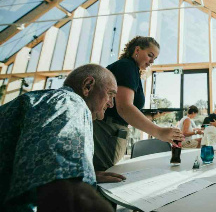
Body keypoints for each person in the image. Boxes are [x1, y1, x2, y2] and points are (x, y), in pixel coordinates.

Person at [0, 64, 124, 212]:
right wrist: (73, 184)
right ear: (88, 86)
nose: (111, 104)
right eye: (110, 94)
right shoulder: (69, 102)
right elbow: (69, 197)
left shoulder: (47, 101)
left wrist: (82, 174)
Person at [93, 36, 183, 171]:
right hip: (105, 131)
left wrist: (152, 118)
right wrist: (159, 132)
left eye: (155, 59)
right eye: (150, 55)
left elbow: (126, 109)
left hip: (112, 132)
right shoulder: (126, 65)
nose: (152, 61)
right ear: (137, 50)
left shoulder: (131, 69)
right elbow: (123, 108)